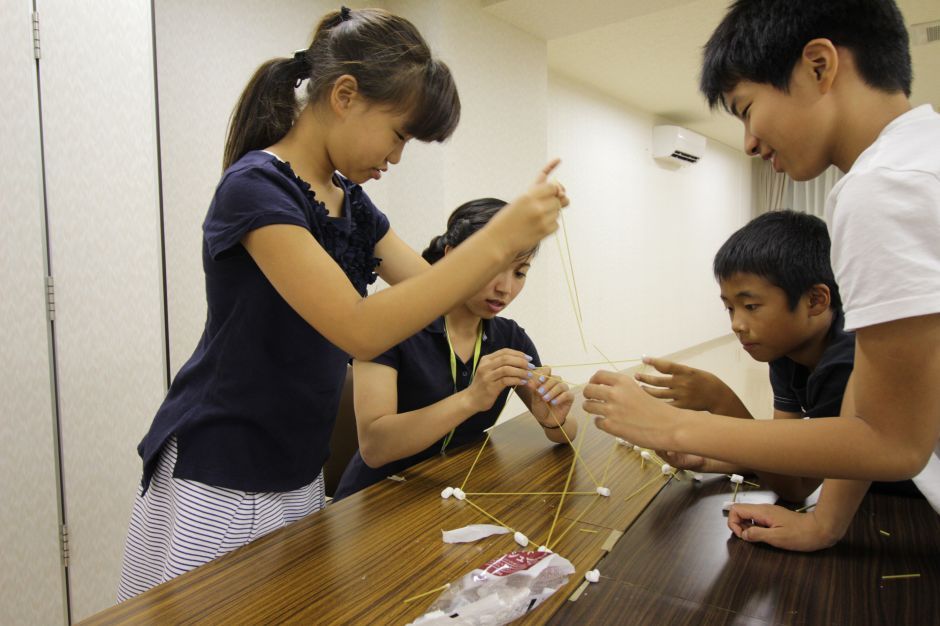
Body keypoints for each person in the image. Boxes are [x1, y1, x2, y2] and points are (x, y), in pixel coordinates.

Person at [118, 7, 567, 600]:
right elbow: (358, 328)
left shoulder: (352, 204)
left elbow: (431, 293)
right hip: (222, 467)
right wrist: (497, 238)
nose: (398, 157)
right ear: (346, 95)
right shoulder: (255, 189)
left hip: (297, 469)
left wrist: (506, 251)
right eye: (400, 134)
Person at [584, 0, 940, 552]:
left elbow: (892, 442)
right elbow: (869, 399)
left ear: (819, 66)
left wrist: (672, 425)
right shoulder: (914, 164)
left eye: (746, 109)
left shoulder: (886, 187)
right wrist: (826, 524)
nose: (749, 141)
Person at [641, 210, 920, 501]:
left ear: (815, 300)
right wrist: (709, 462)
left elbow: (796, 486)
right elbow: (785, 458)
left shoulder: (847, 362)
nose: (736, 324)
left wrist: (720, 400)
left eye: (750, 306)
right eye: (730, 308)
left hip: (909, 507)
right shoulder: (786, 350)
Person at [334, 198, 578, 499]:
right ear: (452, 257)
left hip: (454, 489)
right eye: (495, 267)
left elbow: (564, 435)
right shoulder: (391, 325)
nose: (505, 288)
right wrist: (472, 399)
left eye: (519, 272)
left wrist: (554, 420)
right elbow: (374, 447)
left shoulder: (511, 337)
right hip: (377, 499)